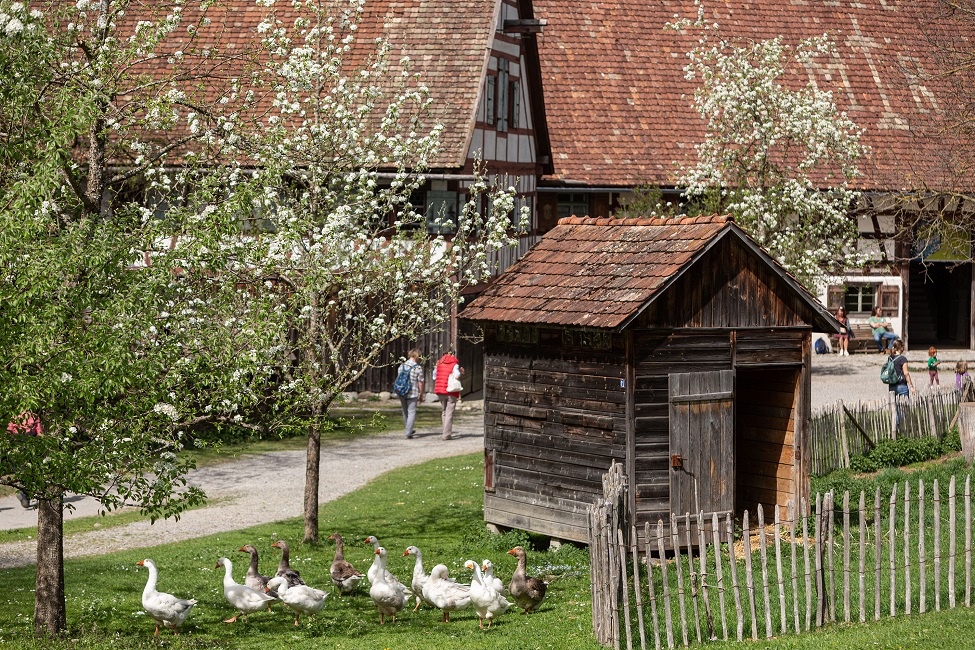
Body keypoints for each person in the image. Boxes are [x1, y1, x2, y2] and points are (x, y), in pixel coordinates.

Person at [5, 411, 42, 509]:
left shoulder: (15, 416)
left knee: (22, 468)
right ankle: (24, 492)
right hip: (31, 440)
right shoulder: (34, 416)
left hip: (18, 440)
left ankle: (24, 493)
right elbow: (39, 431)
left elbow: (9, 430)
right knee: (32, 468)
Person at [433, 351, 464, 441]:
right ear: (452, 355)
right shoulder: (454, 364)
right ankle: (446, 435)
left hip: (440, 390)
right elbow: (457, 376)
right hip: (451, 390)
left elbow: (434, 376)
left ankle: (445, 431)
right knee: (449, 413)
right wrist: (461, 372)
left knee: (444, 412)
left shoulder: (438, 363)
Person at [396, 349, 424, 439]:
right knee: (411, 412)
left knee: (405, 411)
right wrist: (421, 394)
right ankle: (408, 432)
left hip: (401, 392)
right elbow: (420, 382)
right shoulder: (417, 368)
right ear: (417, 356)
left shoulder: (401, 366)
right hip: (412, 392)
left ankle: (409, 429)